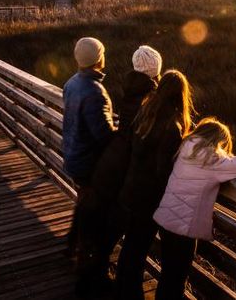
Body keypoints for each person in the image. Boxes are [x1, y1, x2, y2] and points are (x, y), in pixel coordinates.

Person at [75, 45, 163, 294]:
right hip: (132, 182)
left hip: (112, 172)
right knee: (129, 247)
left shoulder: (129, 91)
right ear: (156, 71)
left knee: (105, 237)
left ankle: (93, 280)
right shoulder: (151, 99)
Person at [114, 70, 194, 300]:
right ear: (181, 94)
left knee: (132, 248)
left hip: (131, 191)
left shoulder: (146, 111)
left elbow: (130, 145)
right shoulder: (173, 124)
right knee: (137, 250)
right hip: (149, 200)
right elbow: (163, 170)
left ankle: (123, 291)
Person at [152, 118, 236, 300]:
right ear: (217, 140)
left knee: (168, 274)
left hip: (166, 222)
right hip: (184, 229)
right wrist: (225, 155)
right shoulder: (212, 159)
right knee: (177, 279)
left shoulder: (185, 146)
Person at [62, 37, 116, 276]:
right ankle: (85, 267)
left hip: (73, 154)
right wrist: (120, 131)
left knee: (84, 202)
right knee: (92, 214)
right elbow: (103, 135)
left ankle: (70, 245)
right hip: (88, 163)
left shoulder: (72, 83)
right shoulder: (95, 92)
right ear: (99, 59)